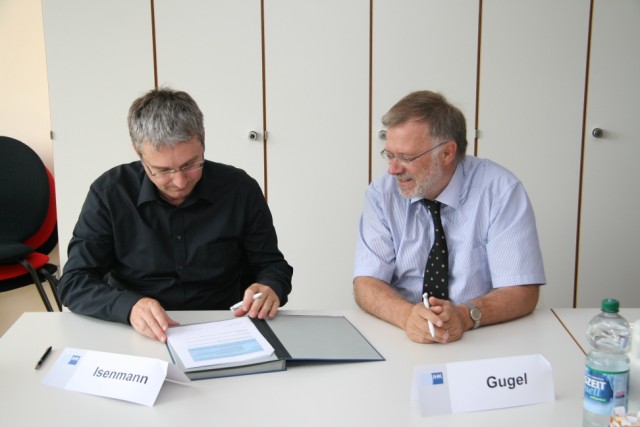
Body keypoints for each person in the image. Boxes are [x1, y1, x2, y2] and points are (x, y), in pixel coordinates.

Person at [58, 87, 293, 342]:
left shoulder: (240, 189)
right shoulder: (110, 193)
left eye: (190, 164)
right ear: (139, 153)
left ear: (202, 140)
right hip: (136, 331)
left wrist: (270, 287)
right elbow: (74, 281)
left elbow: (271, 265)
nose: (180, 182)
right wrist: (128, 307)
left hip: (224, 326)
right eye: (162, 170)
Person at [353, 90, 545, 344]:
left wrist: (465, 316)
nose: (393, 169)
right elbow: (366, 282)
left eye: (406, 158)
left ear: (446, 153)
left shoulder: (500, 191)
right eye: (389, 155)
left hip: (482, 335)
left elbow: (522, 291)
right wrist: (407, 316)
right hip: (402, 335)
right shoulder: (382, 193)